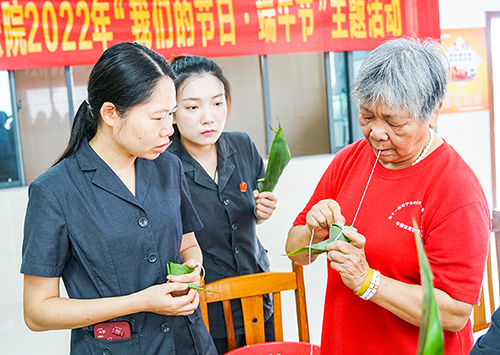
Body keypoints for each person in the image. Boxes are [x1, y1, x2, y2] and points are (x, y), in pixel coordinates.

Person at [285, 37, 490, 355]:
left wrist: (369, 282)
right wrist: (315, 230)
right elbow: (296, 252)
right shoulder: (350, 159)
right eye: (367, 116)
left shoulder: (456, 189)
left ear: (432, 113)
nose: (376, 133)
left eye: (394, 121)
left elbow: (454, 311)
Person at [21, 42, 216, 355]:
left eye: (171, 115)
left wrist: (194, 269)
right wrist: (139, 302)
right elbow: (37, 312)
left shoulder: (168, 166)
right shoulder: (55, 191)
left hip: (189, 342)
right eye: (156, 118)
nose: (169, 130)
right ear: (110, 113)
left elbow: (188, 245)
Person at [167, 55, 278, 354]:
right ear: (172, 113)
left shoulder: (242, 145)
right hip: (204, 307)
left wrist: (262, 211)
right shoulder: (163, 165)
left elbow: (246, 212)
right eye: (192, 107)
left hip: (256, 294)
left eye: (217, 103)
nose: (209, 117)